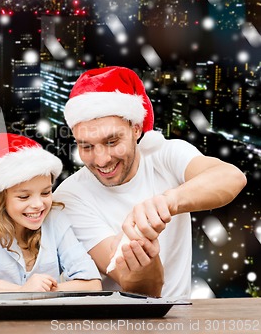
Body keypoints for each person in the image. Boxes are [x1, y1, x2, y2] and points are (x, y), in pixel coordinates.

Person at [54, 66, 247, 298]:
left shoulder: (166, 155)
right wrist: (145, 254)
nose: (101, 159)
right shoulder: (69, 197)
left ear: (136, 129)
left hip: (181, 321)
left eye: (112, 141)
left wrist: (167, 202)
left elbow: (231, 177)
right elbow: (139, 289)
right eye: (86, 146)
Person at [0, 133, 102, 304]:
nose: (38, 204)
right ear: (0, 197)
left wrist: (28, 293)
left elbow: (92, 284)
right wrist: (22, 291)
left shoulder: (56, 220)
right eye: (24, 197)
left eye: (46, 192)